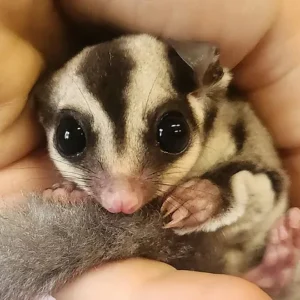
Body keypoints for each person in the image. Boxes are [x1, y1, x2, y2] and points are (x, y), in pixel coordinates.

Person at [0, 0, 298, 299]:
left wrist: (217, 195)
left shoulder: (228, 125)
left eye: (169, 134)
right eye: (73, 140)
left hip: (249, 244)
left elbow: (265, 181)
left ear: (202, 94)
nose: (122, 200)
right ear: (45, 119)